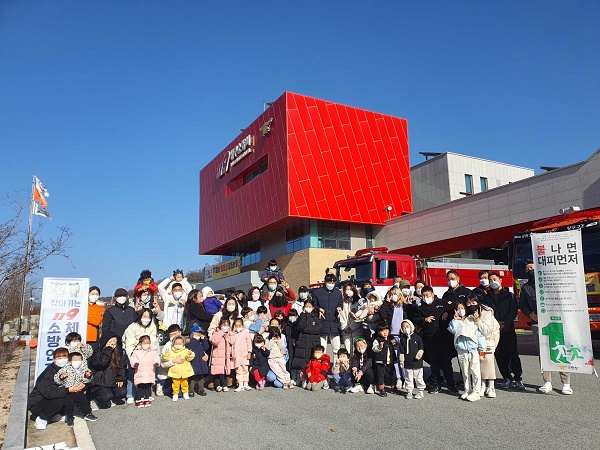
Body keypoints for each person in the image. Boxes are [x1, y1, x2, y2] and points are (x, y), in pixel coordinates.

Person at [520, 260, 572, 394]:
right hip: (538, 324)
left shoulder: (551, 282)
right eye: (527, 268)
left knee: (560, 351)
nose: (529, 270)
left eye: (531, 267)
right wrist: (529, 314)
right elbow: (523, 304)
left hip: (556, 323)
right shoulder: (526, 288)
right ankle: (547, 382)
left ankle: (566, 383)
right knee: (543, 353)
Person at [412, 286, 458, 395]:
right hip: (429, 339)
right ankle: (436, 384)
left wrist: (448, 312)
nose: (425, 297)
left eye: (427, 295)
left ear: (432, 294)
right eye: (423, 296)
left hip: (444, 339)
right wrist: (424, 319)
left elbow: (455, 306)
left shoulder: (442, 303)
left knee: (446, 363)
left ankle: (451, 385)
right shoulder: (421, 307)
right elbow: (415, 319)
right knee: (434, 363)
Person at [483, 272, 524, 390]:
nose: (493, 282)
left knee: (513, 354)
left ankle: (518, 378)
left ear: (500, 280)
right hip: (494, 331)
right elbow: (487, 313)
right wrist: (496, 324)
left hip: (508, 329)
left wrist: (504, 323)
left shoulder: (509, 295)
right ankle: (506, 377)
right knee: (499, 355)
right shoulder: (487, 297)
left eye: (494, 279)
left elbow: (513, 311)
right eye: (490, 280)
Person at [28, 348, 87, 430]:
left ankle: (57, 414)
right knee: (62, 397)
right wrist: (68, 390)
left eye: (65, 357)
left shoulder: (70, 369)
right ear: (54, 360)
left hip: (50, 399)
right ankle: (42, 418)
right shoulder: (49, 372)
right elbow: (49, 393)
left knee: (70, 394)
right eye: (59, 357)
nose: (62, 359)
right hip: (38, 403)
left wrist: (83, 384)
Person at [448, 300, 486, 402]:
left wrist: (482, 349)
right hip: (462, 350)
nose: (461, 310)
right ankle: (467, 390)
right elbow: (452, 330)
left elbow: (480, 335)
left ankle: (476, 392)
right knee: (465, 372)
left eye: (463, 308)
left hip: (473, 350)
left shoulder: (471, 319)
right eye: (458, 309)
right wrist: (456, 320)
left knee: (475, 372)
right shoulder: (455, 322)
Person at [466, 293, 500, 398]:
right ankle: (482, 384)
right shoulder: (467, 312)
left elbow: (486, 330)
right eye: (469, 303)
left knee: (488, 360)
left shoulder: (486, 311)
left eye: (473, 302)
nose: (471, 305)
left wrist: (478, 321)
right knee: (478, 361)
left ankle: (491, 385)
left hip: (489, 338)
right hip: (475, 340)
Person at [122, 309, 158, 403]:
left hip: (146, 351)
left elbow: (153, 342)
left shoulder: (152, 326)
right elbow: (129, 345)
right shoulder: (132, 327)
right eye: (144, 316)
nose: (146, 319)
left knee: (147, 372)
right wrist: (132, 357)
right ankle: (130, 394)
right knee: (132, 371)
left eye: (148, 317)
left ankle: (147, 394)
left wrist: (152, 354)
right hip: (133, 351)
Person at [53, 352, 94, 425]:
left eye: (79, 360)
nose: (77, 362)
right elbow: (56, 379)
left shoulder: (84, 369)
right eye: (75, 360)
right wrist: (61, 377)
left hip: (78, 389)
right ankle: (69, 417)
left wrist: (88, 376)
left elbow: (87, 380)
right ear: (69, 361)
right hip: (68, 390)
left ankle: (87, 413)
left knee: (83, 401)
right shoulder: (65, 369)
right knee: (69, 404)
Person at [87, 332, 127, 408]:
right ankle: (95, 398)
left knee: (122, 392)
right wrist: (108, 349)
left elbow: (122, 367)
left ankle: (113, 397)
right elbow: (102, 363)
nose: (112, 343)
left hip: (112, 382)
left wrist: (120, 378)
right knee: (107, 396)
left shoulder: (117, 353)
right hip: (99, 383)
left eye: (114, 341)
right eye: (110, 341)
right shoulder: (97, 352)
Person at [312, 274, 343, 361]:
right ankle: (322, 365)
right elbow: (314, 305)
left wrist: (339, 308)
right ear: (325, 282)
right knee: (322, 349)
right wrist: (318, 309)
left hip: (334, 323)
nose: (331, 284)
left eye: (333, 282)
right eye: (329, 282)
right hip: (322, 323)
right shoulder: (317, 293)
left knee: (336, 349)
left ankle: (336, 366)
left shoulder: (338, 292)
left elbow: (340, 303)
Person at [291, 300, 322, 386]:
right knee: (302, 362)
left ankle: (312, 378)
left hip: (313, 342)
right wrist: (303, 315)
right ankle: (302, 378)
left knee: (312, 361)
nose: (308, 308)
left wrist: (306, 329)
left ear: (313, 308)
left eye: (310, 307)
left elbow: (318, 329)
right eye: (306, 306)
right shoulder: (301, 317)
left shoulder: (316, 318)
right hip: (302, 342)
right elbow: (299, 327)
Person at [129, 335, 160, 407]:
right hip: (140, 372)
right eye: (144, 343)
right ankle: (140, 399)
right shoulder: (136, 352)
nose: (146, 345)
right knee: (141, 387)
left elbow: (156, 357)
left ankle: (147, 398)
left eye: (148, 343)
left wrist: (156, 362)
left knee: (148, 387)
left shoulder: (153, 351)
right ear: (141, 343)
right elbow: (133, 358)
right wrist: (135, 363)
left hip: (149, 372)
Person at [398, 319, 425, 399]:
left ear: (411, 326)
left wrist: (419, 354)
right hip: (407, 363)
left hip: (417, 362)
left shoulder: (417, 337)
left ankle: (421, 391)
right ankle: (409, 391)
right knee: (408, 378)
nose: (406, 328)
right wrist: (401, 360)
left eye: (407, 326)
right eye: (403, 327)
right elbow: (401, 351)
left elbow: (421, 348)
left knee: (419, 378)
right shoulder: (402, 339)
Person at [162, 336, 195, 401]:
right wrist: (166, 354)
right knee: (175, 384)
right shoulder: (171, 351)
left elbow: (189, 358)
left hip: (184, 370)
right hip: (175, 371)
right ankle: (175, 394)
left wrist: (189, 354)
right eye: (176, 344)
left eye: (180, 344)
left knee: (185, 383)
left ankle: (185, 393)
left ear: (183, 344)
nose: (178, 345)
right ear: (173, 344)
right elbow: (166, 359)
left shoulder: (186, 350)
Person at [372, 322, 398, 397]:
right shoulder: (377, 339)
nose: (385, 333)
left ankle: (393, 387)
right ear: (378, 332)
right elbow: (374, 349)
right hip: (380, 360)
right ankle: (381, 389)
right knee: (381, 375)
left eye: (386, 330)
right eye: (382, 331)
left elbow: (397, 347)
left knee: (393, 374)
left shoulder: (391, 338)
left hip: (390, 360)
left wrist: (394, 344)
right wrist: (379, 347)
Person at [156, 324, 182, 397]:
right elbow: (163, 364)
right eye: (171, 335)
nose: (173, 336)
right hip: (167, 375)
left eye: (175, 334)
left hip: (179, 374)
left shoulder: (183, 344)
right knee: (176, 394)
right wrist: (173, 361)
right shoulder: (167, 346)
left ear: (180, 333)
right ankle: (161, 385)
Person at [228, 318, 253, 391]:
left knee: (245, 370)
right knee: (238, 371)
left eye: (239, 325)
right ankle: (240, 384)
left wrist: (249, 352)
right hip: (236, 356)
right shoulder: (232, 333)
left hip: (244, 354)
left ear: (242, 325)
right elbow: (231, 342)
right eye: (236, 326)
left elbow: (249, 343)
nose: (238, 327)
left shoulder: (245, 332)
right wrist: (232, 332)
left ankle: (246, 384)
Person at [210, 318, 234, 392]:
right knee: (218, 371)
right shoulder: (216, 333)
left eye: (227, 325)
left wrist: (230, 334)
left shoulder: (229, 334)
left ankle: (224, 384)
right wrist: (221, 333)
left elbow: (232, 342)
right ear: (220, 325)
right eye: (223, 325)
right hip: (218, 356)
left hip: (226, 356)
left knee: (224, 371)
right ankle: (217, 385)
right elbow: (214, 341)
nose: (225, 327)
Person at [186, 326, 210, 396]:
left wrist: (203, 340)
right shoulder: (190, 342)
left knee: (201, 377)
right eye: (197, 333)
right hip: (194, 362)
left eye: (200, 333)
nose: (199, 334)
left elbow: (206, 347)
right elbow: (190, 347)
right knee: (192, 378)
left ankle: (201, 389)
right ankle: (191, 390)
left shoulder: (201, 342)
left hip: (201, 362)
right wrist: (194, 339)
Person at [339, 282, 362, 352]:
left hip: (356, 331)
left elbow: (359, 315)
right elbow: (340, 316)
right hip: (345, 332)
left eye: (350, 289)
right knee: (348, 351)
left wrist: (352, 327)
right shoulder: (341, 302)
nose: (348, 291)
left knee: (357, 351)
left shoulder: (358, 302)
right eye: (347, 290)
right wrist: (345, 327)